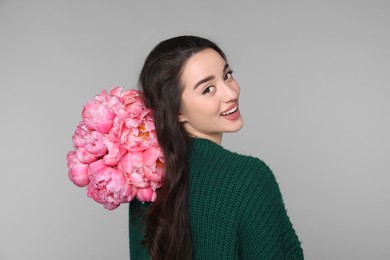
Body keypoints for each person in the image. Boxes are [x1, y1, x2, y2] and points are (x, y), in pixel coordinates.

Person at [129, 35, 304, 260]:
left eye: (227, 75)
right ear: (176, 111)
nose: (231, 93)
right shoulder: (249, 177)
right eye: (208, 89)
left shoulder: (144, 180)